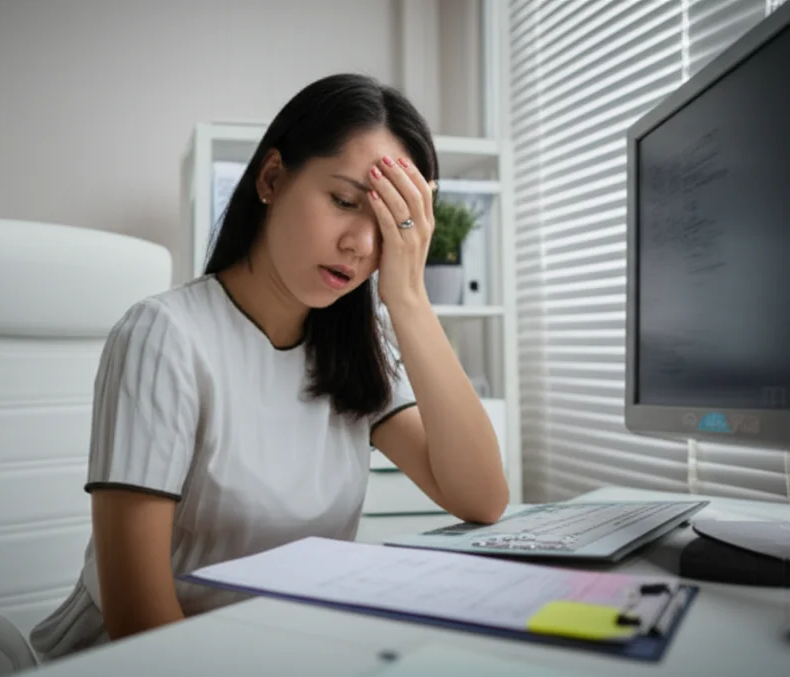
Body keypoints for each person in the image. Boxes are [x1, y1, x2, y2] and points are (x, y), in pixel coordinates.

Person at [29, 73, 508, 659]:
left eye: (384, 224)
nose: (360, 243)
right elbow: (136, 617)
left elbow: (482, 497)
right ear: (272, 178)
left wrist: (408, 297)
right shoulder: (164, 337)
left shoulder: (355, 344)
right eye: (343, 202)